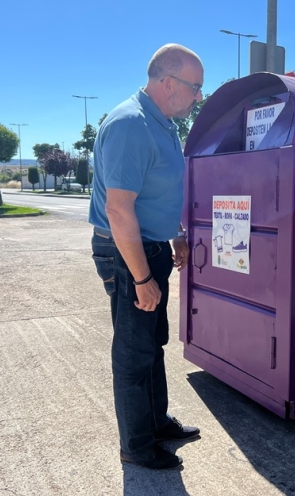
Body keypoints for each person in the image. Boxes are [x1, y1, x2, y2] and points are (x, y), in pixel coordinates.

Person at [88, 43, 204, 470]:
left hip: (151, 247)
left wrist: (174, 234)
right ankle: (136, 445)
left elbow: (159, 193)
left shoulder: (163, 124)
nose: (198, 97)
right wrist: (140, 278)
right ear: (167, 82)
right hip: (126, 253)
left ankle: (157, 422)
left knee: (152, 343)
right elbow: (119, 209)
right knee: (134, 351)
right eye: (195, 88)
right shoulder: (131, 125)